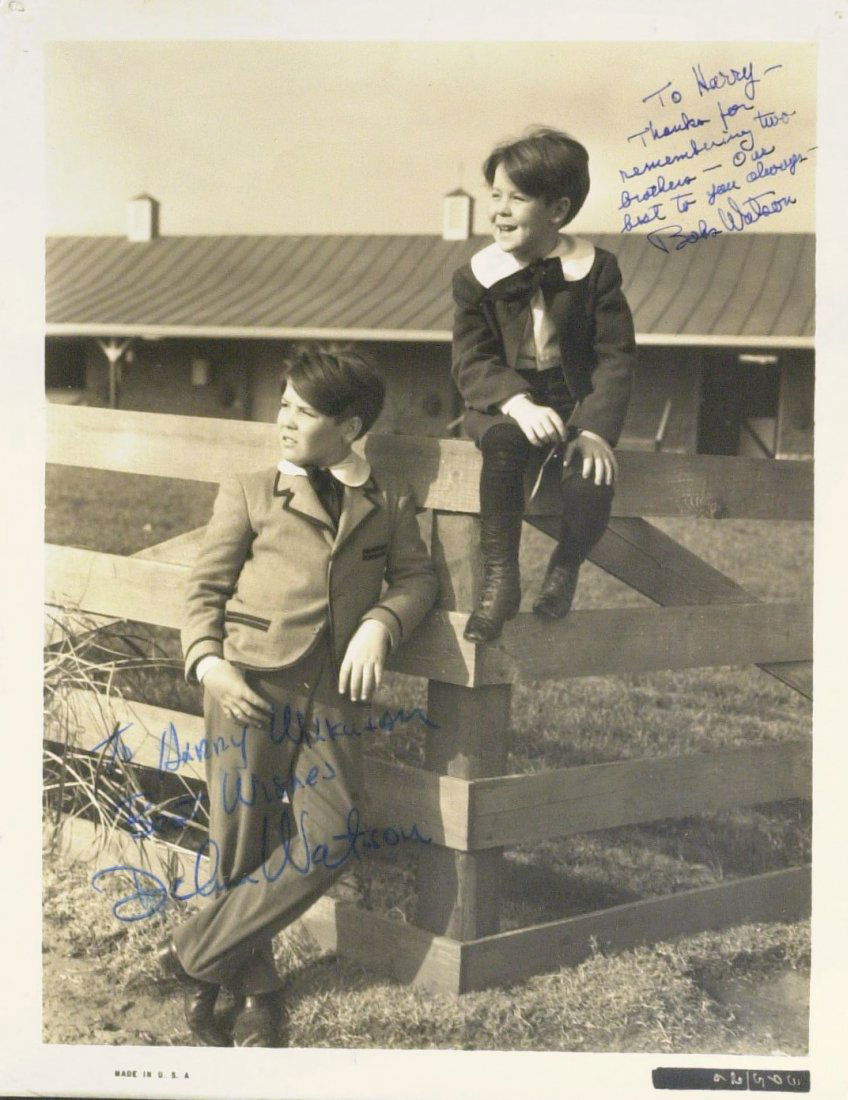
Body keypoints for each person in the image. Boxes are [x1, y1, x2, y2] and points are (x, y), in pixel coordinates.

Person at [157, 344, 438, 1046]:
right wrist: (210, 666)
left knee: (333, 835)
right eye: (282, 404)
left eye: (304, 411)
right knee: (240, 841)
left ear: (349, 427)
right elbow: (203, 592)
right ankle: (256, 998)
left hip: (334, 694)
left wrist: (381, 624)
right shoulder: (252, 490)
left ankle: (195, 954)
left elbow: (416, 579)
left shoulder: (387, 499)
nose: (284, 419)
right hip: (248, 685)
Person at [451, 126, 636, 643]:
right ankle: (500, 578)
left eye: (518, 197)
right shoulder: (475, 276)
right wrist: (515, 402)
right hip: (499, 402)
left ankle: (566, 563)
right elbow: (471, 358)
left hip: (571, 399)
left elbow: (614, 355)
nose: (499, 210)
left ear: (557, 211)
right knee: (505, 447)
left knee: (591, 475)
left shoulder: (596, 270)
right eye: (495, 196)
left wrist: (595, 428)